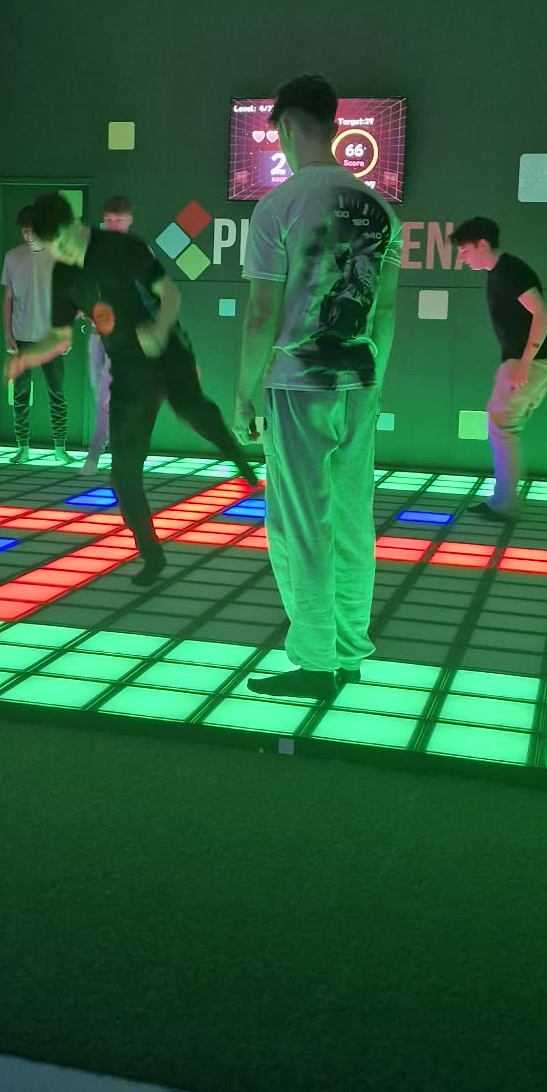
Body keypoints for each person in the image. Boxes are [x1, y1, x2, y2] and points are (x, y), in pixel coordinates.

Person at [234, 75, 402, 700]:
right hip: (360, 379)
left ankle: (313, 662)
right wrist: (374, 382)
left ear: (283, 126)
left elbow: (261, 316)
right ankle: (351, 650)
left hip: (298, 383)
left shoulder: (277, 207)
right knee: (354, 520)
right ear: (334, 124)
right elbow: (386, 313)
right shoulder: (381, 208)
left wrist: (244, 394)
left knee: (302, 525)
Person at [8, 192, 259, 586]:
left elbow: (170, 294)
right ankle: (152, 555)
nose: (61, 252)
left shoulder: (122, 247)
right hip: (127, 371)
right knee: (123, 473)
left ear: (74, 224)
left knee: (194, 411)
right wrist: (26, 357)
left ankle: (239, 458)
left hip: (166, 352)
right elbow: (59, 337)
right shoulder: (64, 274)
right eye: (53, 248)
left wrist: (158, 330)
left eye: (62, 242)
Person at [452, 216, 547, 517]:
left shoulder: (509, 271)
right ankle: (504, 499)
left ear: (482, 244)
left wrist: (524, 363)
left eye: (465, 250)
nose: (462, 258)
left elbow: (541, 314)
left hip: (532, 359)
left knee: (503, 427)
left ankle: (505, 502)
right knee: (505, 426)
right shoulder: (500, 272)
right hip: (529, 358)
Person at [2, 206, 69, 465]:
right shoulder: (12, 257)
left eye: (33, 230)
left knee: (57, 393)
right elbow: (8, 298)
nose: (29, 235)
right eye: (24, 230)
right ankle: (23, 447)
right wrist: (8, 334)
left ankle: (60, 447)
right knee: (20, 394)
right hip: (21, 335)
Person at [82, 193, 133, 475]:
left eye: (118, 220)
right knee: (101, 397)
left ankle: (96, 455)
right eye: (109, 220)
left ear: (129, 221)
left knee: (106, 396)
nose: (113, 225)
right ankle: (119, 452)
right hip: (96, 334)